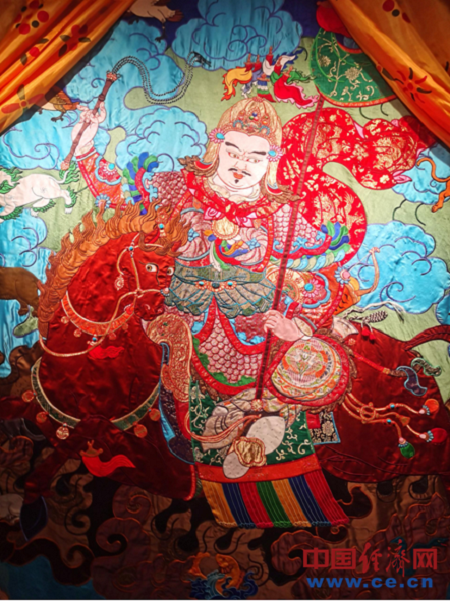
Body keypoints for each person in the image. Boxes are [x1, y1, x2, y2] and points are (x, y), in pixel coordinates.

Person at [66, 97, 354, 528]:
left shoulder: (283, 212)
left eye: (256, 156)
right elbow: (118, 200)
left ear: (271, 161)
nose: (241, 164)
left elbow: (324, 278)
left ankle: (273, 478)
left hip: (256, 332)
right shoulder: (175, 189)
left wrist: (299, 326)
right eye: (233, 150)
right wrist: (87, 144)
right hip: (184, 325)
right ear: (217, 145)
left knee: (277, 401)